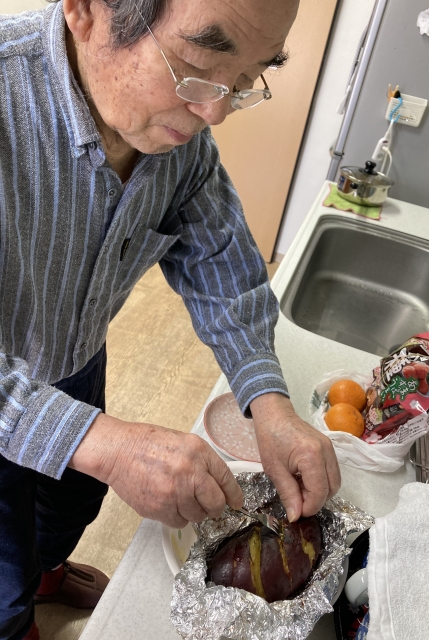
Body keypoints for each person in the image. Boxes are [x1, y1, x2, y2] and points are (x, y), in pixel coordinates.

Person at [0, 0, 341, 637]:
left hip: (77, 360)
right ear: (86, 11)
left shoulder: (180, 142)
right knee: (1, 575)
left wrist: (270, 406)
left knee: (71, 503)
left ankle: (48, 571)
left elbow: (221, 262)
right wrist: (104, 445)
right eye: (198, 66)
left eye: (247, 80)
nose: (215, 113)